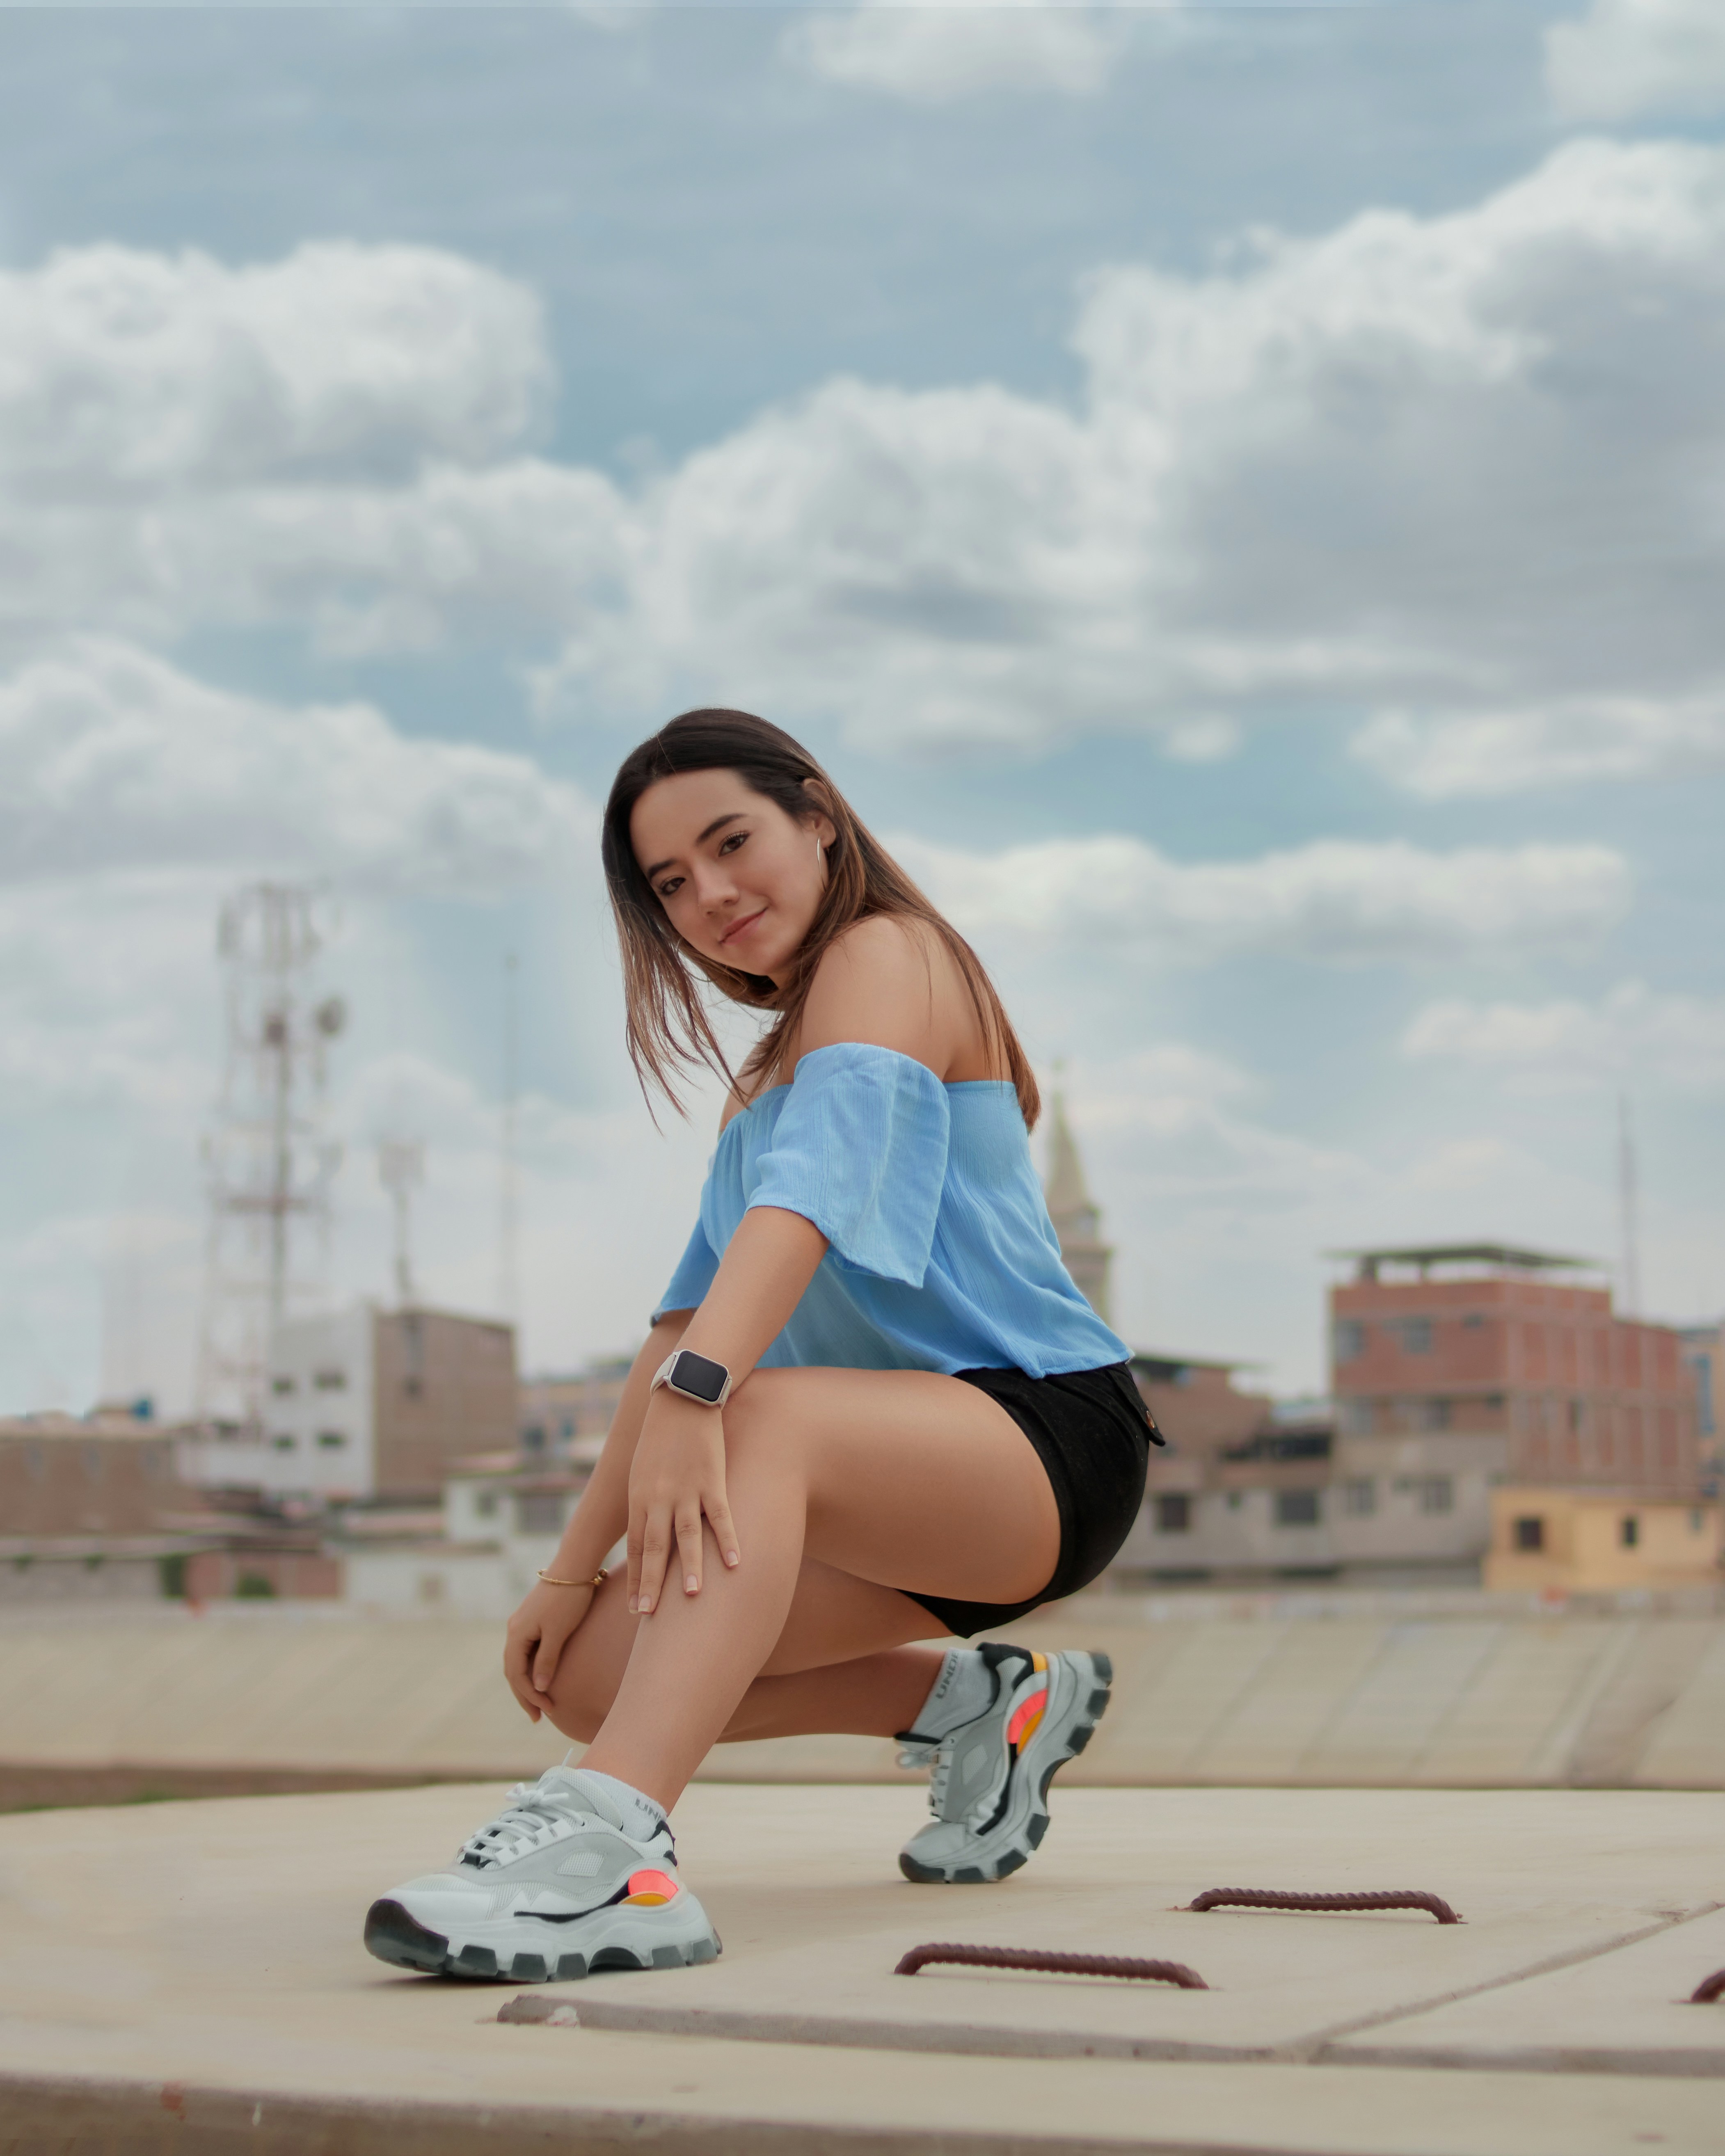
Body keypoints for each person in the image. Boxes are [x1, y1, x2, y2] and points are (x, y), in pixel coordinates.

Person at [363, 709, 1160, 1984]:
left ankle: (612, 1861)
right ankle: (982, 1707)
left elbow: (814, 1202)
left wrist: (703, 1397)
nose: (710, 895)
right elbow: (682, 1325)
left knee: (752, 1410)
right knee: (585, 1673)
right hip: (891, 1489)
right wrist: (569, 1572)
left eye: (730, 843)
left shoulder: (893, 953)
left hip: (1044, 1439)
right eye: (670, 885)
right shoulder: (764, 1075)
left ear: (818, 818)